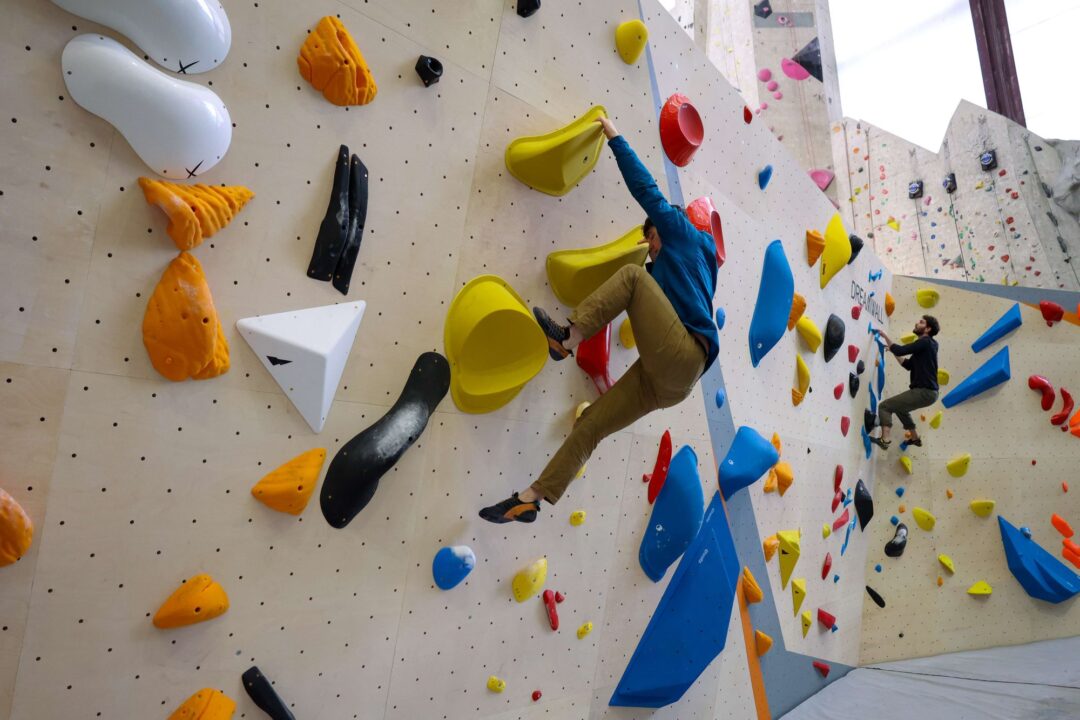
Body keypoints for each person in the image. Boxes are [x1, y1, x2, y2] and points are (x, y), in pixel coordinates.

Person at [479, 116, 719, 524]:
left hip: (685, 355)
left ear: (664, 229)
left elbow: (647, 190)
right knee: (592, 422)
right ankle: (532, 497)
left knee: (631, 278)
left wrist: (615, 137)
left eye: (651, 238)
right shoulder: (685, 267)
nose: (650, 247)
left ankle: (565, 339)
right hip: (666, 383)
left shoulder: (683, 233)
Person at [870, 315, 941, 450]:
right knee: (901, 409)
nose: (917, 323)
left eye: (921, 322)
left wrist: (885, 335)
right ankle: (915, 438)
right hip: (930, 393)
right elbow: (907, 365)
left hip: (924, 392)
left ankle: (885, 440)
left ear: (928, 329)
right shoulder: (927, 347)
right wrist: (892, 350)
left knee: (885, 406)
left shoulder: (925, 342)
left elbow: (901, 350)